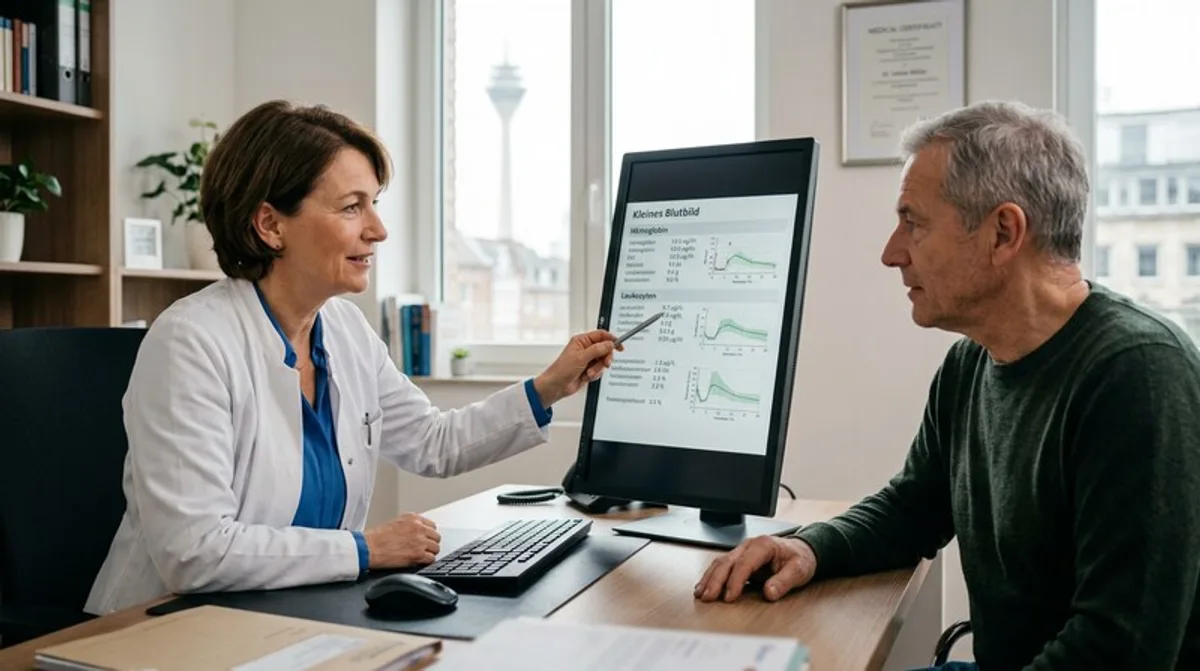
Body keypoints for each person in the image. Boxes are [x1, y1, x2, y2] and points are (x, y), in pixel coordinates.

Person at [694, 100, 1200, 670]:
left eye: (914, 222)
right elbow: (915, 507)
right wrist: (810, 546)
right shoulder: (971, 365)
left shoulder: (1138, 373)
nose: (892, 253)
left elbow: (1119, 651)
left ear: (1003, 232)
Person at [85, 100, 621, 615]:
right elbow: (194, 552)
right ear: (270, 225)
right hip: (163, 629)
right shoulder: (190, 342)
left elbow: (433, 443)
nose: (378, 230)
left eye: (374, 204)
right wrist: (365, 550)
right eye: (350, 207)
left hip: (286, 616)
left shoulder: (341, 329)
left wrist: (550, 385)